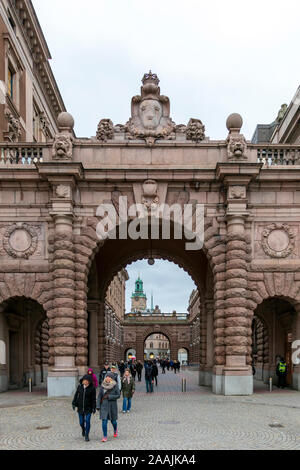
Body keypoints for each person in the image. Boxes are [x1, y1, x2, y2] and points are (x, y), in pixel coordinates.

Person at [97, 372, 120, 442]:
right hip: (103, 405)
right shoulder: (102, 385)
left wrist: (110, 397)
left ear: (112, 378)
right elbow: (99, 396)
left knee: (113, 421)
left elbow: (118, 395)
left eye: (109, 377)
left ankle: (115, 429)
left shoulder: (115, 385)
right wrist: (98, 405)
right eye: (107, 376)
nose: (107, 378)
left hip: (112, 406)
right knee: (104, 421)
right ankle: (105, 436)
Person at [72, 374, 96, 442]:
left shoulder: (92, 388)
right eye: (83, 380)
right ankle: (83, 429)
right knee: (81, 422)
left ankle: (87, 435)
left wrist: (94, 407)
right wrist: (73, 403)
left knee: (87, 421)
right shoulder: (80, 387)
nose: (83, 381)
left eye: (85, 380)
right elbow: (76, 395)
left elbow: (93, 399)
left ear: (88, 381)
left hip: (88, 408)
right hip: (80, 407)